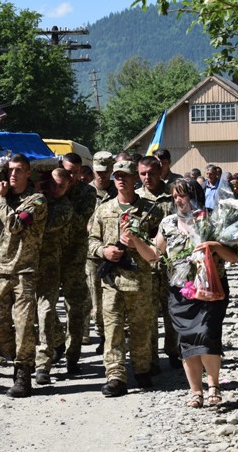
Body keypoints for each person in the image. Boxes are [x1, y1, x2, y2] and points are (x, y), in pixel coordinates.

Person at [126, 179, 238, 408]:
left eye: (183, 195)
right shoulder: (168, 223)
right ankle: (195, 391)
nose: (179, 200)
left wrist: (214, 246)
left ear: (195, 196)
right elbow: (154, 256)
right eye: (175, 196)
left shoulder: (213, 220)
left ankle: (214, 385)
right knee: (187, 342)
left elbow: (234, 257)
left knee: (208, 335)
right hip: (180, 292)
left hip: (211, 290)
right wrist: (136, 239)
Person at [87, 160, 162, 397]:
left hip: (139, 280)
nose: (121, 180)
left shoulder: (151, 210)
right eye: (117, 176)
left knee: (141, 328)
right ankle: (116, 376)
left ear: (134, 179)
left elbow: (159, 245)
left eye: (126, 176)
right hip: (111, 281)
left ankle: (141, 369)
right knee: (113, 329)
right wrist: (104, 252)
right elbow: (91, 241)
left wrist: (139, 243)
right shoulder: (104, 209)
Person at [0, 154, 47, 397]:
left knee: (23, 327)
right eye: (10, 170)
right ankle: (12, 357)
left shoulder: (37, 200)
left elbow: (16, 225)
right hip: (0, 270)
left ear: (28, 173)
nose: (13, 174)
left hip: (24, 271)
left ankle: (23, 374)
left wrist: (0, 201)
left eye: (19, 170)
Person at [135, 156, 180, 373]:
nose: (147, 178)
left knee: (173, 310)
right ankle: (151, 358)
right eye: (143, 174)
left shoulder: (172, 195)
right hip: (146, 265)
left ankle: (173, 351)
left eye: (151, 173)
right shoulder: (136, 198)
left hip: (171, 264)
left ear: (160, 171)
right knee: (148, 313)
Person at [56, 152, 96, 375]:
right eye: (67, 171)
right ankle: (56, 341)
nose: (71, 177)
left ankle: (73, 356)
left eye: (75, 173)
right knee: (43, 304)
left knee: (76, 307)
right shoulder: (50, 187)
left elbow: (80, 222)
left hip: (74, 254)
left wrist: (60, 198)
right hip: (51, 254)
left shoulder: (87, 193)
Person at [34, 168, 73, 385]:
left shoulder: (64, 207)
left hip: (49, 265)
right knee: (32, 313)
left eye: (62, 186)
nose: (56, 189)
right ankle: (58, 340)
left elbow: (42, 224)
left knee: (46, 312)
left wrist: (38, 197)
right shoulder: (37, 198)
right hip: (28, 264)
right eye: (54, 184)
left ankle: (43, 364)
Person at [86, 150, 117, 355]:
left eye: (105, 171)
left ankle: (113, 336)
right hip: (91, 253)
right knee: (96, 299)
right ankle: (102, 335)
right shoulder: (84, 191)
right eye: (98, 171)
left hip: (115, 254)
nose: (101, 175)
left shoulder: (119, 191)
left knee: (113, 299)